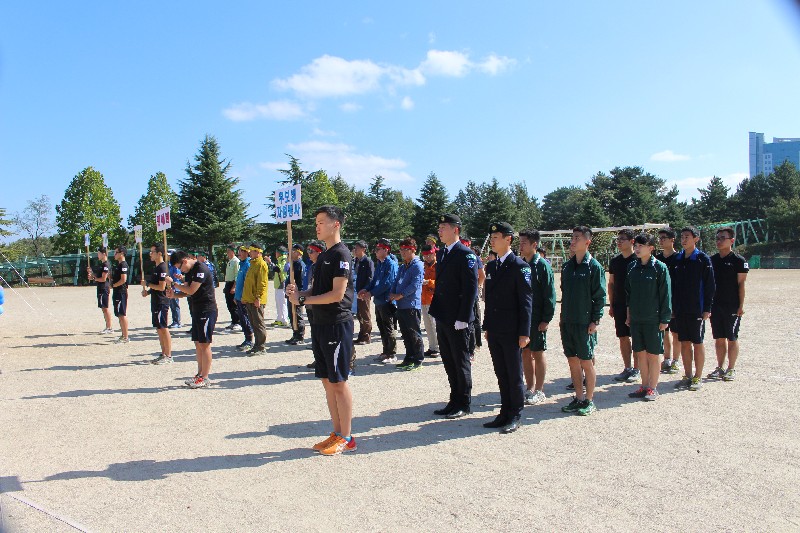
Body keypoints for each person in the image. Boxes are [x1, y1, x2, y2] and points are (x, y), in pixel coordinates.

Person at [286, 205, 357, 456]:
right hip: (320, 324)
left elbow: (337, 294)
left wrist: (304, 300)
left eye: (321, 222)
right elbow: (316, 292)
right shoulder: (323, 256)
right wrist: (299, 294)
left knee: (339, 382)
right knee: (327, 381)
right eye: (315, 222)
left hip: (337, 324)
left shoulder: (341, 254)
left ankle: (347, 437)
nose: (317, 226)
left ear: (336, 224)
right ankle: (336, 432)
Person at [482, 222, 532, 434]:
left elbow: (526, 302)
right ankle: (504, 412)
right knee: (501, 373)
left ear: (508, 239)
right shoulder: (492, 266)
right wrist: (487, 326)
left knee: (514, 374)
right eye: (491, 237)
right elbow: (490, 299)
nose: (492, 241)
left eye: (496, 237)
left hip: (512, 330)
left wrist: (524, 332)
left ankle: (515, 414)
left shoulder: (520, 266)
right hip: (495, 329)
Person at [429, 214, 479, 419]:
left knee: (460, 361)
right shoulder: (442, 253)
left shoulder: (466, 254)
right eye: (439, 227)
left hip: (458, 319)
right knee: (448, 361)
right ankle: (454, 399)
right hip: (444, 315)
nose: (439, 231)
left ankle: (464, 402)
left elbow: (470, 289)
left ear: (455, 230)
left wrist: (464, 318)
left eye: (444, 227)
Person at [560, 226, 606, 416]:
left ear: (587, 242)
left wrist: (595, 320)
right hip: (567, 322)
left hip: (584, 323)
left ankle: (589, 400)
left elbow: (600, 296)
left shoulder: (594, 267)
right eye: (572, 237)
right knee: (573, 361)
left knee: (586, 361)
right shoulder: (567, 266)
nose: (572, 241)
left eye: (577, 238)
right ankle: (578, 397)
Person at [625, 233, 672, 401]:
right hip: (637, 319)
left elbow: (666, 295)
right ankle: (644, 386)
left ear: (651, 248)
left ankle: (653, 388)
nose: (637, 249)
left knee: (653, 354)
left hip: (653, 319)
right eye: (636, 246)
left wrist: (665, 319)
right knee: (640, 354)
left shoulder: (660, 268)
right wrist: (629, 315)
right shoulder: (632, 267)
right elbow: (628, 294)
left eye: (641, 246)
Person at [672, 226, 715, 392]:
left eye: (687, 237)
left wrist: (707, 308)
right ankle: (688, 375)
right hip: (680, 309)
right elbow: (674, 285)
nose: (683, 240)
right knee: (684, 342)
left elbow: (710, 285)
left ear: (696, 238)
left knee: (697, 342)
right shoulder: (678, 259)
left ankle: (698, 376)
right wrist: (673, 307)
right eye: (682, 237)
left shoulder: (703, 259)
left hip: (697, 308)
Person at [168, 250, 218, 388]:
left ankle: (205, 377)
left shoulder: (200, 268)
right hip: (196, 309)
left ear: (184, 261)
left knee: (204, 343)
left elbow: (191, 290)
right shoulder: (190, 272)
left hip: (206, 309)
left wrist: (174, 283)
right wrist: (174, 295)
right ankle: (200, 374)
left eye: (180, 267)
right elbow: (187, 291)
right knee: (198, 343)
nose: (180, 270)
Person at [518, 229, 556, 406]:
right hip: (524, 318)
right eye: (519, 242)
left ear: (534, 244)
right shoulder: (520, 263)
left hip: (537, 317)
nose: (520, 245)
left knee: (538, 353)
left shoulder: (542, 265)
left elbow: (550, 294)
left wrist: (546, 319)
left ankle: (540, 390)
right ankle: (530, 388)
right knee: (525, 352)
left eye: (524, 242)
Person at [707, 227, 748, 382]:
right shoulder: (711, 260)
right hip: (715, 305)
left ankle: (731, 368)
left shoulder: (739, 261)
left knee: (732, 337)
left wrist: (741, 306)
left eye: (722, 238)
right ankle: (720, 367)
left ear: (732, 240)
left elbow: (741, 284)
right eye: (717, 238)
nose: (719, 241)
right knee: (719, 338)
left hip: (732, 305)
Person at [358, 239, 398, 363]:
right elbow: (374, 280)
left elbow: (387, 283)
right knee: (381, 327)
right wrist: (366, 289)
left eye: (377, 249)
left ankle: (392, 353)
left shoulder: (390, 264)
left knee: (388, 327)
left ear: (386, 250)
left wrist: (371, 293)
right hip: (379, 301)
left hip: (386, 300)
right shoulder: (380, 263)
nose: (375, 252)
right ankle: (385, 351)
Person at [389, 237, 425, 371]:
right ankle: (409, 358)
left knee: (414, 333)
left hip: (411, 305)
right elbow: (395, 281)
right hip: (401, 305)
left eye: (406, 249)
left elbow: (415, 285)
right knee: (405, 334)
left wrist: (400, 295)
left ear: (413, 250)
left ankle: (418, 359)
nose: (402, 252)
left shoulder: (418, 265)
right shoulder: (403, 266)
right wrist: (392, 293)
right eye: (401, 250)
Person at [609, 229, 639, 383]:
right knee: (623, 337)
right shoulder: (615, 261)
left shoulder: (638, 260)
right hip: (619, 304)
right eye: (618, 239)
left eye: (622, 239)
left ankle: (637, 369)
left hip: (635, 306)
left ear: (632, 241)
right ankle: (627, 368)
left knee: (637, 338)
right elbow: (611, 283)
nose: (619, 241)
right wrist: (611, 304)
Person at [141, 243, 172, 364]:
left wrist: (147, 284)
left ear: (159, 253)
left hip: (161, 302)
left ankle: (168, 355)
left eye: (152, 252)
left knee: (163, 328)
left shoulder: (162, 268)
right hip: (155, 301)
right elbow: (156, 287)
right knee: (159, 328)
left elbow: (162, 287)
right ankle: (163, 353)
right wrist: (148, 292)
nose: (150, 254)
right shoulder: (156, 267)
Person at [655, 227, 681, 374]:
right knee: (664, 331)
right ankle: (667, 359)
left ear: (672, 240)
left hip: (676, 300)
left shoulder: (680, 258)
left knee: (676, 333)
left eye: (664, 238)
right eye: (660, 238)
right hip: (661, 301)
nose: (661, 240)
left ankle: (676, 361)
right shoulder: (657, 259)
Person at [242, 243, 269, 355]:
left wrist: (258, 298)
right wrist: (245, 297)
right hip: (250, 299)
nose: (250, 253)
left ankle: (261, 347)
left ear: (258, 252)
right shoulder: (252, 263)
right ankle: (256, 345)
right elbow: (249, 283)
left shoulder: (261, 264)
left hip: (256, 300)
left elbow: (262, 283)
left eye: (252, 251)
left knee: (258, 324)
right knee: (253, 323)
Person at [304, 240, 326, 370]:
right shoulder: (312, 266)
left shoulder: (324, 267)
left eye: (311, 251)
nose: (309, 253)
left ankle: (322, 360)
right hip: (310, 303)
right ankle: (317, 358)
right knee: (314, 334)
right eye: (308, 251)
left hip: (317, 304)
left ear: (319, 252)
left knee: (320, 334)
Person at [352, 240, 374, 345]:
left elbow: (370, 278)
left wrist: (365, 290)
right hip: (356, 291)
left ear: (363, 249)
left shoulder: (368, 261)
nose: (355, 250)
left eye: (357, 248)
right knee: (359, 314)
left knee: (365, 315)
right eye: (354, 248)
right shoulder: (356, 261)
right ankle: (361, 336)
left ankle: (366, 337)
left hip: (364, 292)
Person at [285, 244, 307, 345]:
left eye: (293, 251)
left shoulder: (300, 265)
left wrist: (299, 294)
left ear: (298, 253)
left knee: (297, 314)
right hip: (290, 293)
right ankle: (295, 333)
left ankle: (300, 335)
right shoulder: (292, 263)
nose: (290, 253)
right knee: (291, 314)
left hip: (297, 293)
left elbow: (301, 281)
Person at [87, 246, 113, 334]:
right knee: (103, 307)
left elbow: (103, 279)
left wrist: (94, 278)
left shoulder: (106, 264)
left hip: (104, 287)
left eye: (99, 253)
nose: (97, 255)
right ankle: (108, 326)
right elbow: (98, 277)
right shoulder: (102, 264)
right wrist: (92, 274)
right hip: (100, 287)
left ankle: (109, 327)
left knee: (105, 307)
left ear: (104, 254)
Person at [233, 245, 254, 352]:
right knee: (242, 319)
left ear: (247, 252)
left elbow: (247, 283)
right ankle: (246, 338)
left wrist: (244, 297)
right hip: (239, 297)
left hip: (244, 298)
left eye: (241, 252)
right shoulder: (241, 264)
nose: (239, 254)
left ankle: (249, 340)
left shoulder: (248, 264)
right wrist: (236, 296)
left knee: (246, 319)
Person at [420, 243, 440, 358]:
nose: (427, 257)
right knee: (427, 325)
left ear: (434, 253)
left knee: (434, 325)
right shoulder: (423, 266)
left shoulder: (439, 265)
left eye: (429, 255)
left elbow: (442, 282)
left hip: (434, 299)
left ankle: (438, 348)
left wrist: (429, 282)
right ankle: (432, 347)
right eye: (425, 255)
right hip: (424, 299)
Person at [110, 246, 130, 344]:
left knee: (122, 314)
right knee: (119, 314)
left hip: (121, 291)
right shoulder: (118, 265)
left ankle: (126, 336)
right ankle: (123, 335)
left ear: (121, 253)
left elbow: (123, 279)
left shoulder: (123, 265)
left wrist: (114, 285)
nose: (114, 254)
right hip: (117, 291)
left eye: (116, 252)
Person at [223, 245, 241, 331]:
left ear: (233, 251)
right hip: (228, 283)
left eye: (229, 251)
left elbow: (237, 275)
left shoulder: (236, 261)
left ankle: (238, 322)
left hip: (232, 284)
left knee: (234, 305)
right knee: (229, 304)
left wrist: (234, 287)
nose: (227, 253)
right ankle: (233, 321)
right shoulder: (230, 261)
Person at [272, 246, 289, 327]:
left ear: (279, 253)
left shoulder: (284, 259)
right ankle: (279, 318)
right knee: (278, 302)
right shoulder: (280, 259)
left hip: (282, 284)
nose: (275, 254)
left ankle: (284, 319)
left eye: (276, 252)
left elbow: (279, 269)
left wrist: (270, 263)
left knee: (282, 302)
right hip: (278, 284)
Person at [167, 261, 184, 329]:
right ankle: (174, 321)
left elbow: (176, 277)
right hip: (169, 287)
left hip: (174, 287)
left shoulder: (174, 265)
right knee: (172, 305)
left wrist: (174, 287)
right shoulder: (168, 264)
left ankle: (177, 322)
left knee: (175, 305)